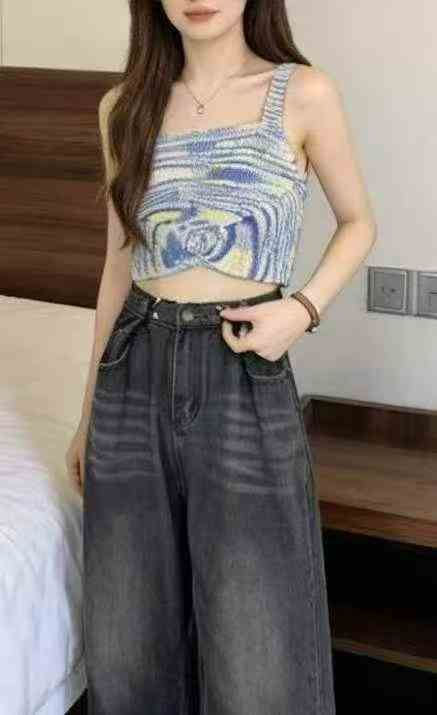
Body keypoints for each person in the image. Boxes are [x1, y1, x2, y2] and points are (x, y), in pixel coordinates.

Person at [65, 1, 377, 713]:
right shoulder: (123, 107)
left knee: (257, 648)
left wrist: (301, 310)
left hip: (241, 368)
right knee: (127, 640)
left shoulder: (302, 92)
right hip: (132, 370)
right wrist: (87, 416)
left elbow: (359, 222)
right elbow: (118, 265)